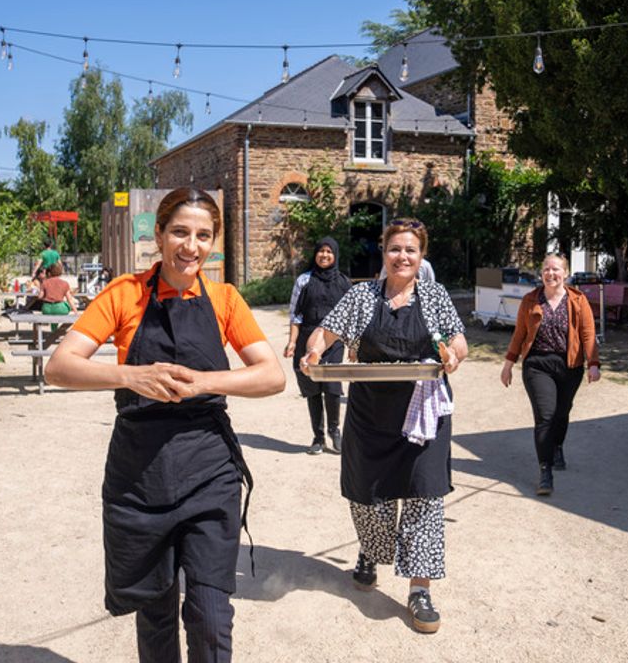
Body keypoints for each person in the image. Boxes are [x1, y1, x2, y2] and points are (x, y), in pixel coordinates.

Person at [45, 188, 285, 662]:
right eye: (180, 232)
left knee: (210, 610)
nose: (190, 246)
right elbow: (59, 366)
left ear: (213, 242)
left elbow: (272, 375)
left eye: (202, 235)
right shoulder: (124, 295)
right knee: (153, 611)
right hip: (141, 473)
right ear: (159, 235)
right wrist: (131, 375)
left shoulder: (224, 299)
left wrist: (203, 383)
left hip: (209, 468)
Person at [302, 217, 467, 635]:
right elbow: (326, 331)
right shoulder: (362, 295)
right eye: (395, 249)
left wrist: (452, 354)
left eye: (411, 249)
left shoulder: (434, 297)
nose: (402, 257)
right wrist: (314, 351)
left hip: (423, 414)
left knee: (424, 498)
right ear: (383, 252)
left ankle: (420, 589)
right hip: (371, 415)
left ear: (421, 255)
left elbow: (457, 340)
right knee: (367, 496)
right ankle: (371, 550)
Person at [499, 253, 601, 496]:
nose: (551, 273)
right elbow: (520, 334)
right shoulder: (530, 300)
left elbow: (588, 334)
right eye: (546, 269)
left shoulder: (578, 300)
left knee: (562, 412)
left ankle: (557, 446)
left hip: (569, 365)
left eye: (556, 269)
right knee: (545, 416)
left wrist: (593, 363)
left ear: (565, 273)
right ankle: (545, 470)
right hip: (537, 364)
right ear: (541, 273)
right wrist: (508, 364)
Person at [283, 237, 351, 455]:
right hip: (306, 338)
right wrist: (292, 342)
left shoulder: (343, 282)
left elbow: (351, 317)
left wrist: (354, 345)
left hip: (333, 342)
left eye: (329, 252)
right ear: (315, 254)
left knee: (332, 388)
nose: (324, 255)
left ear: (335, 255)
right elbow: (296, 314)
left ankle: (335, 430)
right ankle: (318, 436)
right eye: (321, 251)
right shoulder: (304, 280)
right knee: (312, 389)